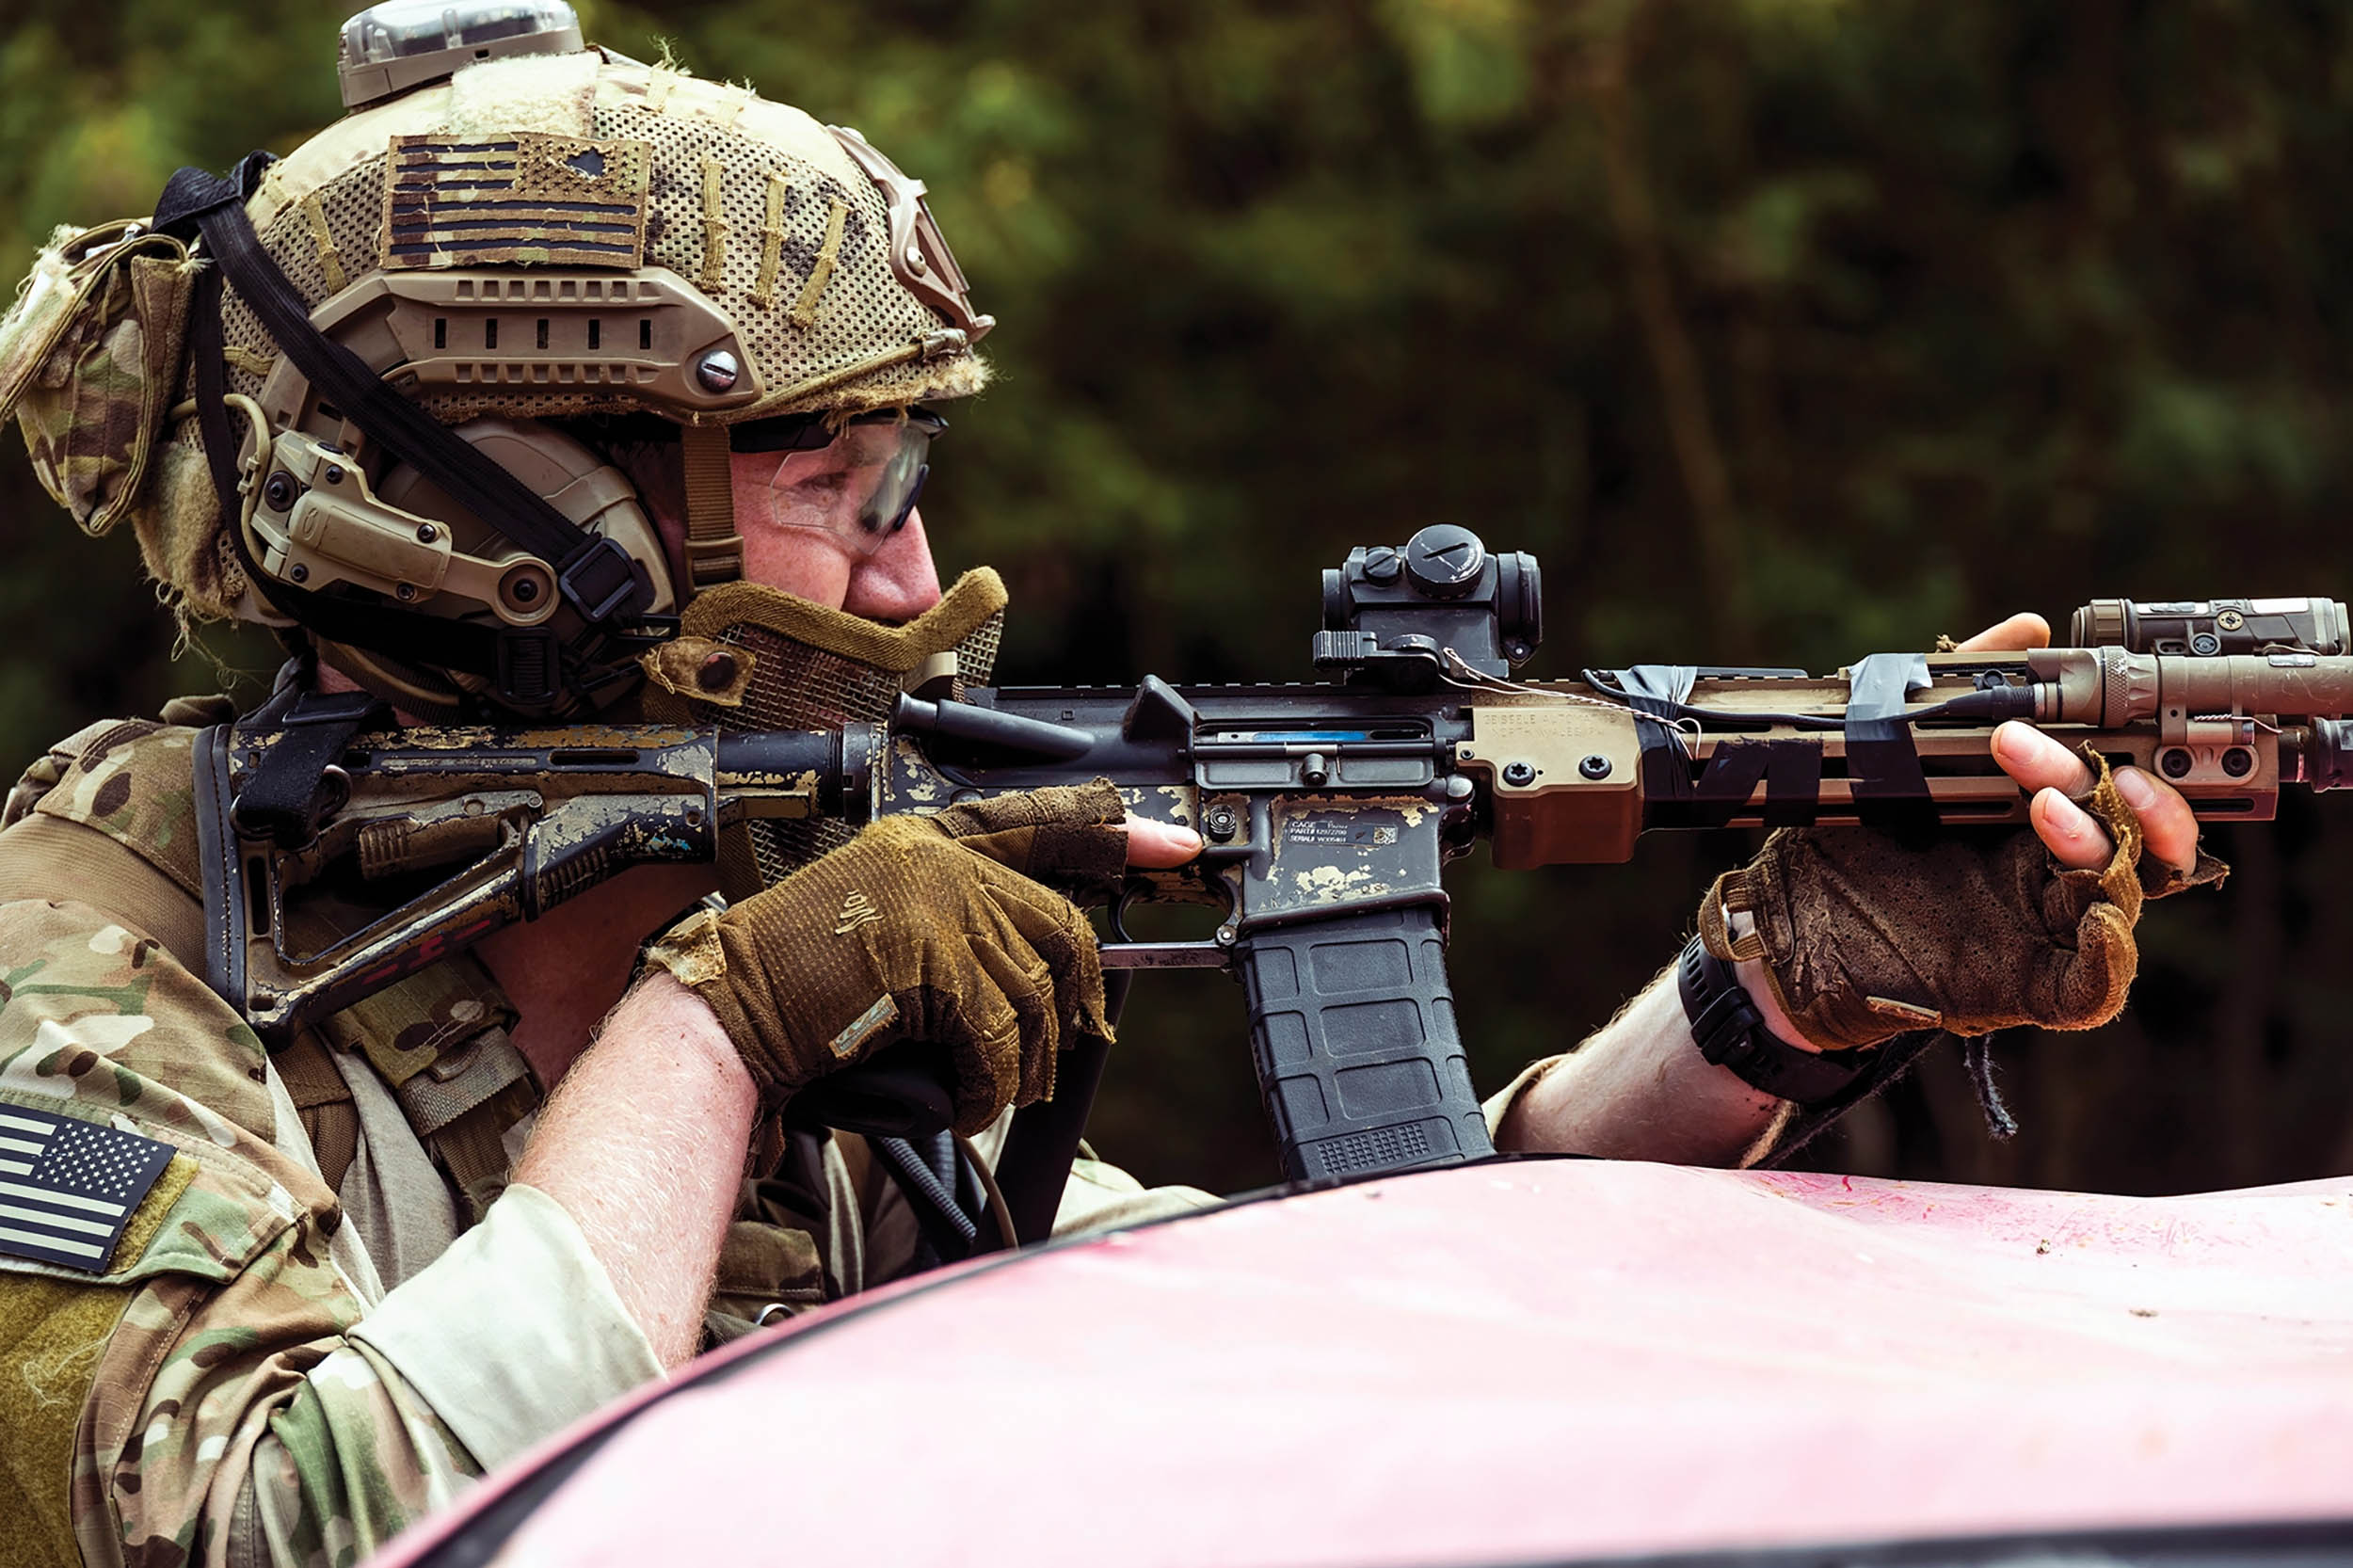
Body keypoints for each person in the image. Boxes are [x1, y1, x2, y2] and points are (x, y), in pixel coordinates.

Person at [0, 15, 2213, 1568]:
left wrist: (1763, 1012)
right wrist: (717, 1025)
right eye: (824, 474)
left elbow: (1319, 1320)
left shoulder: (747, 912)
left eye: (910, 470)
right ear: (532, 516)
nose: (909, 564)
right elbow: (290, 1533)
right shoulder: (91, 968)